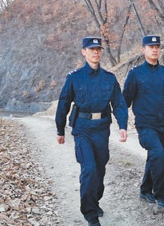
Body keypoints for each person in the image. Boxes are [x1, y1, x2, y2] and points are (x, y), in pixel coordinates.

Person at [55, 37, 128, 226]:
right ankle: (90, 214)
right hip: (82, 129)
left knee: (100, 169)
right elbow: (63, 103)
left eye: (98, 49)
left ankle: (94, 201)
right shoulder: (74, 77)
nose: (95, 52)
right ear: (83, 52)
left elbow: (119, 104)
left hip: (102, 129)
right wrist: (60, 129)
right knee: (89, 169)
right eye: (91, 49)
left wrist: (122, 126)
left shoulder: (109, 78)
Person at [122, 35, 164, 213]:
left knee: (154, 156)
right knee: (159, 156)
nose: (154, 49)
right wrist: (121, 124)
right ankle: (160, 196)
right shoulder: (135, 74)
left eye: (157, 46)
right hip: (145, 126)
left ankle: (145, 191)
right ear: (143, 49)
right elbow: (124, 101)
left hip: (162, 127)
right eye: (150, 46)